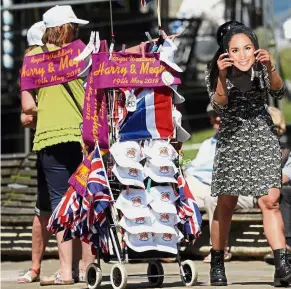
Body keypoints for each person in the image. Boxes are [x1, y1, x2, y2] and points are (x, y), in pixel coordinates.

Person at [205, 21, 289, 287]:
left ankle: (282, 265)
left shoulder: (261, 67)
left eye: (247, 48)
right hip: (232, 139)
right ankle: (217, 261)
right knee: (226, 203)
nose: (242, 54)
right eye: (235, 49)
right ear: (226, 51)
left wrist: (270, 66)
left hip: (262, 135)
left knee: (270, 201)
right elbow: (219, 106)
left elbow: (279, 91)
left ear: (254, 48)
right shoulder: (217, 70)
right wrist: (220, 76)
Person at [20, 5, 95, 285]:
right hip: (81, 137)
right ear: (66, 29)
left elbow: (28, 107)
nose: (76, 31)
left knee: (60, 205)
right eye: (73, 27)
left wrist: (45, 105)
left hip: (50, 137)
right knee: (86, 202)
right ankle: (90, 267)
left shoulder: (32, 59)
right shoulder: (80, 51)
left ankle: (66, 272)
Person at [185, 103, 255, 263]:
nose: (216, 119)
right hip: (202, 184)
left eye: (221, 115)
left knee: (214, 198)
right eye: (213, 116)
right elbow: (193, 168)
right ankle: (169, 245)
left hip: (233, 189)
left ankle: (220, 250)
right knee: (175, 193)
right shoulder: (207, 144)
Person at [17, 21, 49, 284]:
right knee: (43, 209)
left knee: (59, 206)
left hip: (65, 138)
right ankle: (35, 267)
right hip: (47, 141)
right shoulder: (33, 65)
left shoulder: (63, 63)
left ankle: (75, 267)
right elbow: (25, 116)